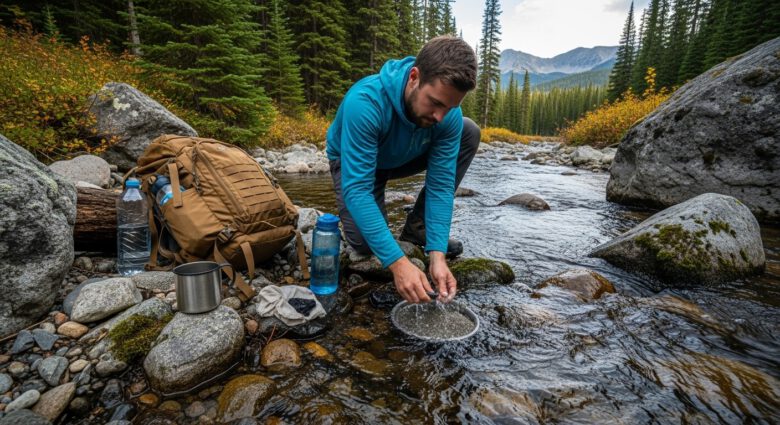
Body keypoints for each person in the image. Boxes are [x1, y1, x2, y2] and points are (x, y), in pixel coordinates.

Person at [326, 35, 480, 304]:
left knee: (468, 130)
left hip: (403, 154)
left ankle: (417, 230)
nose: (440, 117)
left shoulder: (446, 117)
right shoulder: (365, 102)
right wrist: (398, 263)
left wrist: (437, 254)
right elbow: (357, 189)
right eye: (435, 103)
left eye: (450, 106)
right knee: (363, 245)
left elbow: (441, 186)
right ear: (414, 77)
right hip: (356, 162)